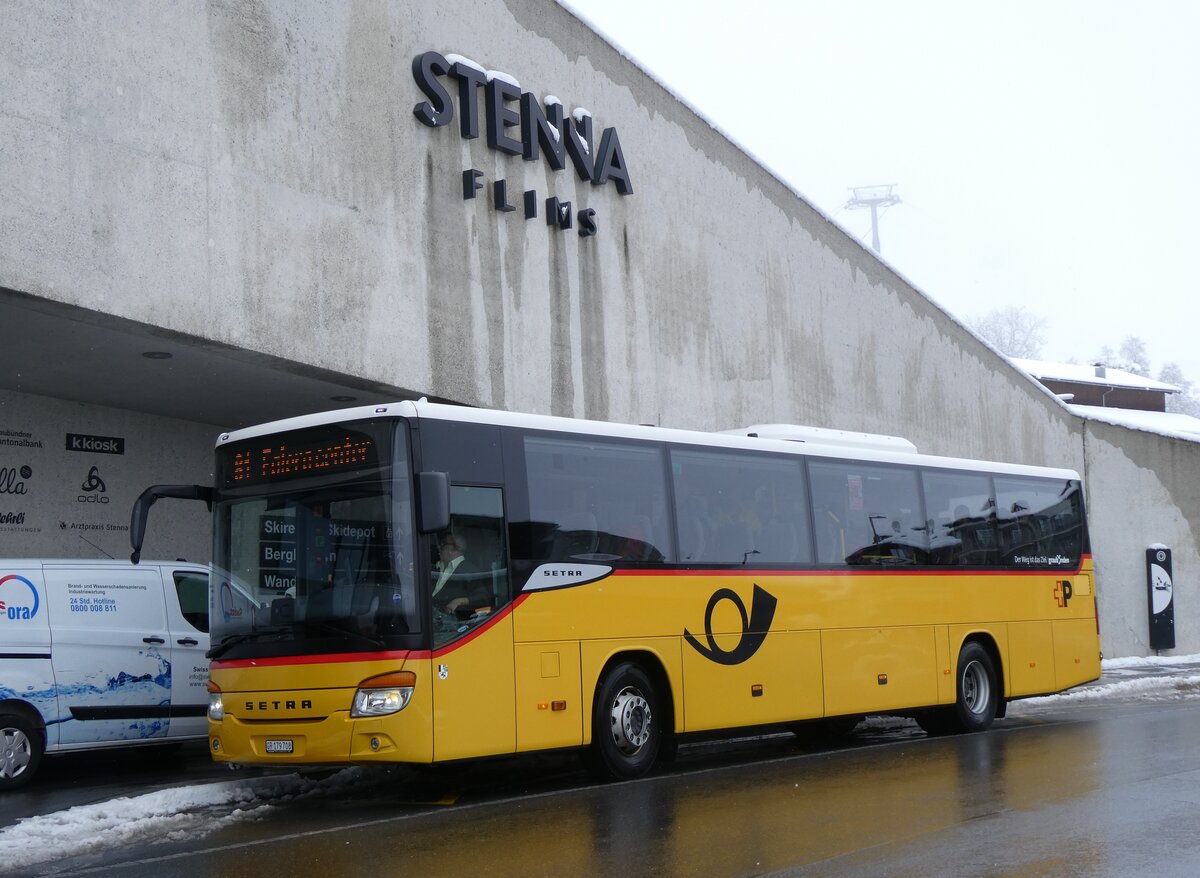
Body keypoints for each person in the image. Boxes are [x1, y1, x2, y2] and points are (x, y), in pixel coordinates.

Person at [432, 532, 491, 616]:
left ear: (451, 550)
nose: (439, 547)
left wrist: (459, 601)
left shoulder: (470, 571)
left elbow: (483, 599)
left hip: (450, 621)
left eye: (443, 544)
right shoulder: (435, 567)